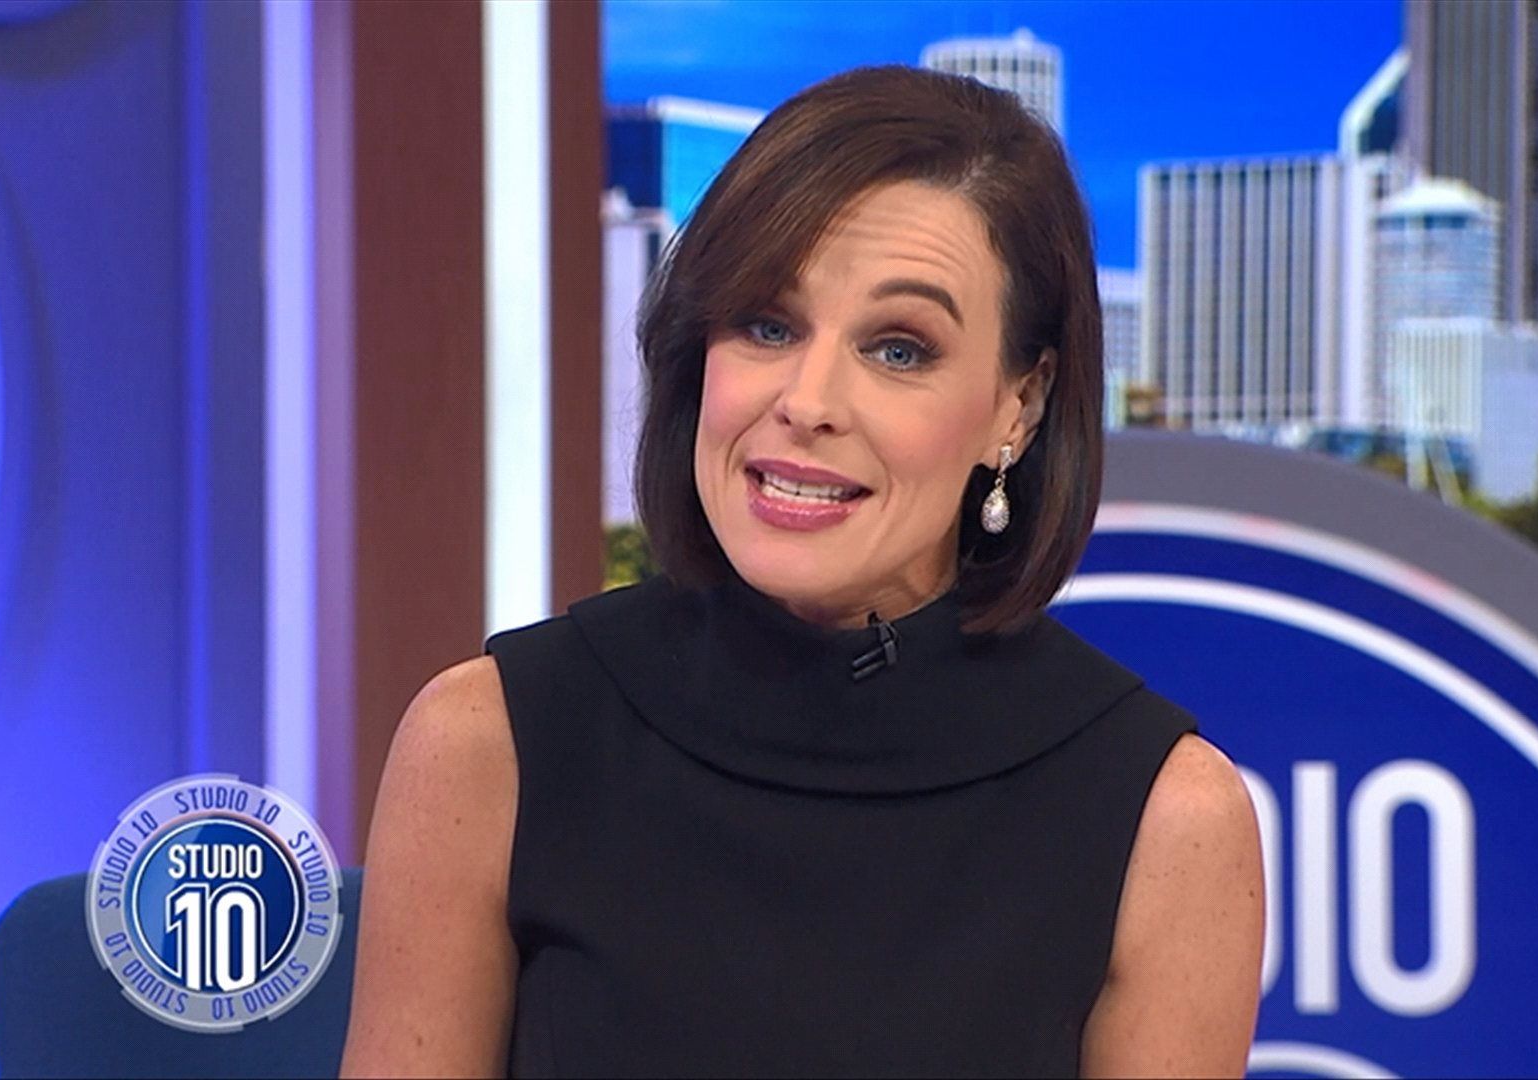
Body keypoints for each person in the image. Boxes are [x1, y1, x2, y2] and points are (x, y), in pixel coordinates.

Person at [341, 65, 1262, 1078]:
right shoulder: (489, 745)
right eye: (768, 325)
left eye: (899, 349)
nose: (808, 400)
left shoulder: (1164, 822)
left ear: (1020, 405)